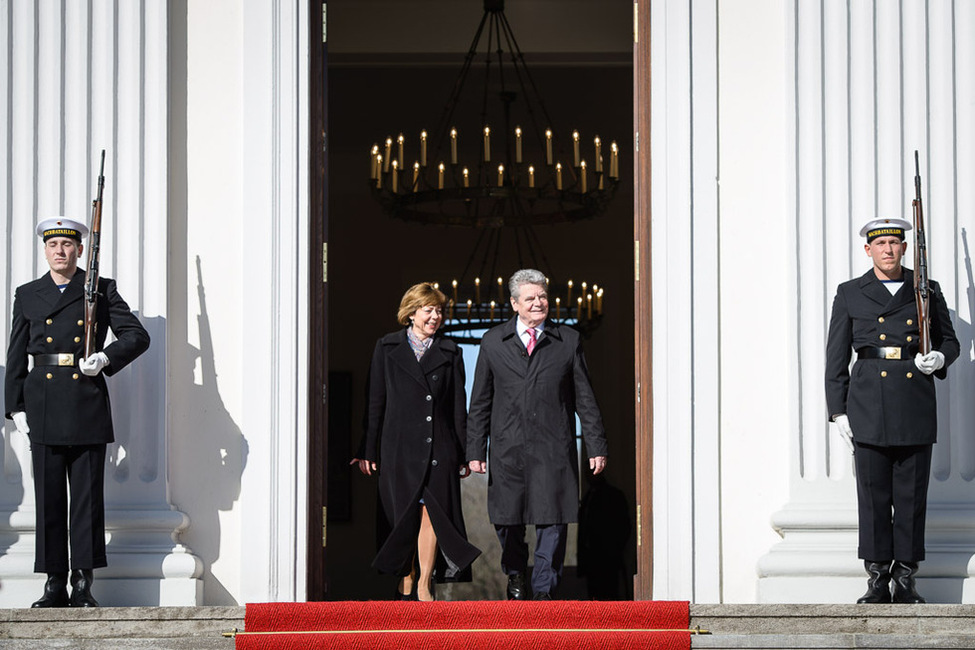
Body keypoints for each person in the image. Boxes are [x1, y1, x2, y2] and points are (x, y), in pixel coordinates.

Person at [4, 217, 150, 608]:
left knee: (86, 499)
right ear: (45, 250)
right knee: (49, 498)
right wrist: (14, 407)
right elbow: (16, 353)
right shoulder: (28, 293)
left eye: (67, 246)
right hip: (44, 402)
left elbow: (137, 335)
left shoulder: (100, 289)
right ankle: (53, 582)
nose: (60, 251)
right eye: (53, 245)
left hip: (85, 399)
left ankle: (82, 581)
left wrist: (105, 357)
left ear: (80, 250)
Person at [826, 217, 958, 604]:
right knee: (873, 496)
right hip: (867, 403)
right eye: (880, 243)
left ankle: (906, 577)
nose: (888, 249)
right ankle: (877, 577)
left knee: (912, 497)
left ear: (904, 248)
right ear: (868, 250)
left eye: (894, 243)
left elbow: (950, 340)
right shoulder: (850, 292)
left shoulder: (926, 289)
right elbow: (835, 357)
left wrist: (939, 357)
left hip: (913, 401)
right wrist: (838, 411)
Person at [467, 268, 608, 600]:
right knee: (506, 518)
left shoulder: (568, 341)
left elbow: (584, 398)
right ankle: (516, 573)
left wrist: (596, 445)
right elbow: (480, 400)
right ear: (515, 304)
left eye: (543, 296)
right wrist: (475, 449)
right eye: (530, 298)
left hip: (553, 447)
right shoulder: (492, 342)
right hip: (507, 448)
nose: (538, 302)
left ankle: (545, 590)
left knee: (553, 519)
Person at [352, 282, 480, 601]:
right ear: (411, 312)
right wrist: (368, 449)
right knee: (403, 516)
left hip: (441, 448)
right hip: (398, 449)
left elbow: (457, 408)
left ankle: (424, 581)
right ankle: (406, 571)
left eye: (439, 310)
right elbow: (375, 402)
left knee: (431, 513)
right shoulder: (386, 348)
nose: (435, 316)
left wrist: (463, 453)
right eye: (429, 309)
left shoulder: (451, 352)